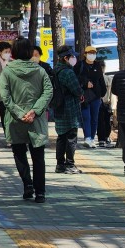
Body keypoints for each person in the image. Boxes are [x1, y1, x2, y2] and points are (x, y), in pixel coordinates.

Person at [0, 37, 53, 203]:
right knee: (38, 156)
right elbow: (48, 91)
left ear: (13, 52)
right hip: (36, 120)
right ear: (30, 52)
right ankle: (41, 192)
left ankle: (27, 186)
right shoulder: (39, 70)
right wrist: (34, 112)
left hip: (16, 120)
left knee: (19, 154)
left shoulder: (7, 71)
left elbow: (5, 97)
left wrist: (20, 112)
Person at [52, 45, 84, 174]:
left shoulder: (56, 70)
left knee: (61, 137)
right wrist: (81, 93)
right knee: (71, 136)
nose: (74, 58)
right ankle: (70, 164)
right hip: (69, 108)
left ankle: (60, 165)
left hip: (58, 106)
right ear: (65, 58)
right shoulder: (67, 72)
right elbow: (76, 90)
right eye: (71, 56)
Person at [74, 45, 106, 148]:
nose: (92, 55)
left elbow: (101, 79)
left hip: (96, 96)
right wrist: (84, 83)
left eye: (94, 53)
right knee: (86, 117)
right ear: (85, 54)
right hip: (84, 95)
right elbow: (75, 79)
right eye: (89, 53)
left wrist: (102, 93)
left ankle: (92, 138)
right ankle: (87, 137)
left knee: (94, 118)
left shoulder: (97, 65)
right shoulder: (80, 65)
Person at [96, 58, 113, 147]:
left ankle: (104, 137)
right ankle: (103, 138)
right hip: (101, 102)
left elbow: (111, 92)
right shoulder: (97, 78)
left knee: (105, 121)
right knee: (102, 121)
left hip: (106, 102)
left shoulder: (108, 79)